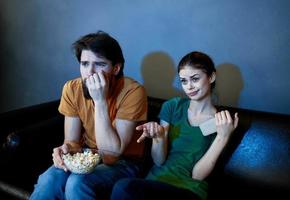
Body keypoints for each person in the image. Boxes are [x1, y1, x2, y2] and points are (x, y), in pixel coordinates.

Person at [29, 31, 147, 200]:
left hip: (125, 162)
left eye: (99, 64)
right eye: (84, 64)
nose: (90, 72)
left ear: (116, 68)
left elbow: (111, 156)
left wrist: (100, 101)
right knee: (49, 179)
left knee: (77, 182)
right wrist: (67, 149)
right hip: (87, 154)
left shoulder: (133, 92)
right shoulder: (72, 88)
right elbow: (73, 141)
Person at [110, 51, 239, 200]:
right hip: (154, 183)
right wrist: (159, 137)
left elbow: (197, 176)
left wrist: (223, 137)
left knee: (123, 188)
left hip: (188, 189)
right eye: (184, 81)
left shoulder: (220, 121)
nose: (189, 86)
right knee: (124, 188)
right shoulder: (172, 107)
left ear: (211, 77)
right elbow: (159, 161)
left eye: (195, 79)